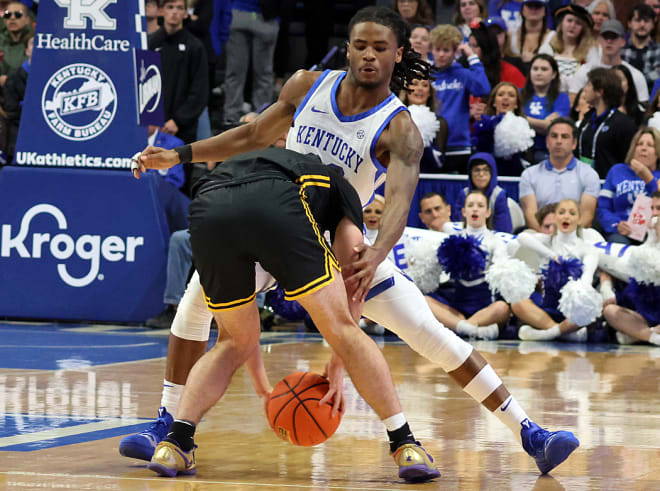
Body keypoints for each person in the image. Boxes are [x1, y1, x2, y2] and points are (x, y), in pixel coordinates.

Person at [127, 7, 579, 477]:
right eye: (360, 45)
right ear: (347, 47)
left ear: (398, 54)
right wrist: (179, 155)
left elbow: (400, 202)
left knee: (428, 333)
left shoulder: (399, 127)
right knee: (193, 306)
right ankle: (167, 425)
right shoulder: (308, 85)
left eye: (380, 48)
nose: (368, 55)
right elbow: (254, 134)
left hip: (340, 235)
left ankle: (530, 433)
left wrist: (376, 253)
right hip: (275, 225)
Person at [145, 147, 440, 480]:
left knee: (231, 341)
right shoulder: (339, 187)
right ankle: (405, 444)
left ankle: (175, 444)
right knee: (343, 328)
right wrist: (338, 361)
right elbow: (355, 275)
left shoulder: (276, 159)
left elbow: (245, 339)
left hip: (209, 204)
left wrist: (262, 388)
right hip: (276, 200)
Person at [423, 190, 512, 341]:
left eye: (480, 205)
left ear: (488, 212)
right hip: (456, 307)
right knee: (425, 301)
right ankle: (472, 330)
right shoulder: (452, 239)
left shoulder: (496, 243)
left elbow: (502, 273)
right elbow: (437, 272)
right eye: (470, 205)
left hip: (484, 308)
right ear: (464, 211)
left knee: (502, 308)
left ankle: (457, 329)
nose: (475, 209)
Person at [512, 199, 600, 341]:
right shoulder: (546, 241)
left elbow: (587, 281)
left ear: (578, 220)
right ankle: (561, 333)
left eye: (572, 213)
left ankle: (544, 334)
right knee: (517, 301)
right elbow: (522, 237)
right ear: (556, 219)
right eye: (561, 212)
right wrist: (551, 255)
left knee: (592, 307)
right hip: (546, 309)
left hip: (572, 313)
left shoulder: (587, 249)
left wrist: (579, 293)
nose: (566, 216)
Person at [519, 118, 600, 231]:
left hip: (576, 235)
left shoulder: (589, 174)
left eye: (565, 137)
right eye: (554, 136)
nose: (559, 141)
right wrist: (548, 236)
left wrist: (565, 237)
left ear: (574, 143)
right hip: (540, 233)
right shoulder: (529, 175)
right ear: (547, 142)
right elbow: (530, 215)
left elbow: (587, 216)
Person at [430, 24, 491, 173]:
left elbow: (483, 89)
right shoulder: (426, 75)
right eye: (437, 49)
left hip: (459, 145)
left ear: (455, 51)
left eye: (446, 50)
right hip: (431, 145)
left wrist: (472, 56)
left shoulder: (462, 74)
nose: (441, 54)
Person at [603, 191, 660, 345]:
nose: (654, 215)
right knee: (610, 311)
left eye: (659, 209)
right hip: (645, 316)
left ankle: (637, 336)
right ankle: (652, 337)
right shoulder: (641, 251)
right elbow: (605, 262)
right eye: (652, 209)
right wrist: (605, 286)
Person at [148, 0, 208, 147]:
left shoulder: (195, 47)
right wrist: (149, 119)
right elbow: (141, 84)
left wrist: (178, 120)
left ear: (186, 14)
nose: (174, 12)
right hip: (150, 127)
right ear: (161, 11)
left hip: (181, 130)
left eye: (179, 8)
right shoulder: (150, 43)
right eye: (170, 7)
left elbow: (199, 91)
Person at [597, 128, 660, 244]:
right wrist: (616, 224)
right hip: (620, 232)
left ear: (657, 152)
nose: (643, 148)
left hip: (652, 234)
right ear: (633, 149)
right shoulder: (617, 171)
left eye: (650, 145)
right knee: (618, 243)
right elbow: (603, 208)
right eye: (639, 144)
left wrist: (648, 179)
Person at [222, 0, 279, 123]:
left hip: (265, 17)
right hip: (239, 13)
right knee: (236, 71)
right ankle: (232, 118)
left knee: (262, 73)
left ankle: (262, 118)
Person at [575, 67, 637, 179]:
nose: (585, 89)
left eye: (589, 85)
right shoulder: (587, 119)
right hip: (582, 182)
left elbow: (628, 160)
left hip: (609, 185)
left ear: (600, 91)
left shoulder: (623, 124)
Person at [568, 20, 649, 104]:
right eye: (605, 36)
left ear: (623, 42)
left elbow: (642, 107)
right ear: (599, 40)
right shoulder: (585, 70)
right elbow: (573, 103)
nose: (609, 41)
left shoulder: (634, 75)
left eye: (613, 37)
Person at [472, 81, 534, 176]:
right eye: (500, 95)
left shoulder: (524, 125)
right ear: (494, 102)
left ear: (516, 104)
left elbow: (528, 157)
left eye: (511, 95)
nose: (505, 98)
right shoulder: (483, 125)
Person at [521, 54, 570, 163]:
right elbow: (508, 119)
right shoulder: (518, 94)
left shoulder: (562, 98)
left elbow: (553, 127)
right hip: (519, 150)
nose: (539, 73)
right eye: (535, 69)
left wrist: (521, 119)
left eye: (544, 69)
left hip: (546, 153)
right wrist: (542, 123)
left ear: (553, 74)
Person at [539, 4, 598, 94]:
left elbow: (594, 78)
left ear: (583, 29)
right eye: (569, 21)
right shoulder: (549, 46)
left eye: (578, 23)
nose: (572, 25)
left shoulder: (590, 51)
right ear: (562, 23)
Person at [452, 152, 513, 232]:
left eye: (486, 170)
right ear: (470, 174)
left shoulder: (498, 195)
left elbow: (503, 229)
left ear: (492, 173)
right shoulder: (464, 194)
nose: (481, 174)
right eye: (476, 170)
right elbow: (458, 224)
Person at [399, 77, 448, 172]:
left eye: (425, 85)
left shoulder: (439, 123)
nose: (420, 88)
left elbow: (439, 163)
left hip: (427, 180)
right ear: (406, 90)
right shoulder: (395, 120)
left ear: (429, 92)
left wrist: (421, 145)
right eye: (414, 84)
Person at [621, 3, 660, 92]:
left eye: (646, 21)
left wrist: (636, 81)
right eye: (638, 20)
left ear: (653, 24)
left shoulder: (658, 50)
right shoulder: (620, 49)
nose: (642, 24)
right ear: (629, 23)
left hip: (651, 99)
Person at [509, 0, 553, 69]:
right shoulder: (510, 36)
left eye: (538, 6)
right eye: (530, 5)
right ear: (522, 10)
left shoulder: (554, 37)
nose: (533, 9)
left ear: (545, 11)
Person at [0, 1, 32, 87]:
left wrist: (9, 80)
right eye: (7, 15)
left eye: (18, 14)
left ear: (27, 20)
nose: (12, 18)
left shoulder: (34, 42)